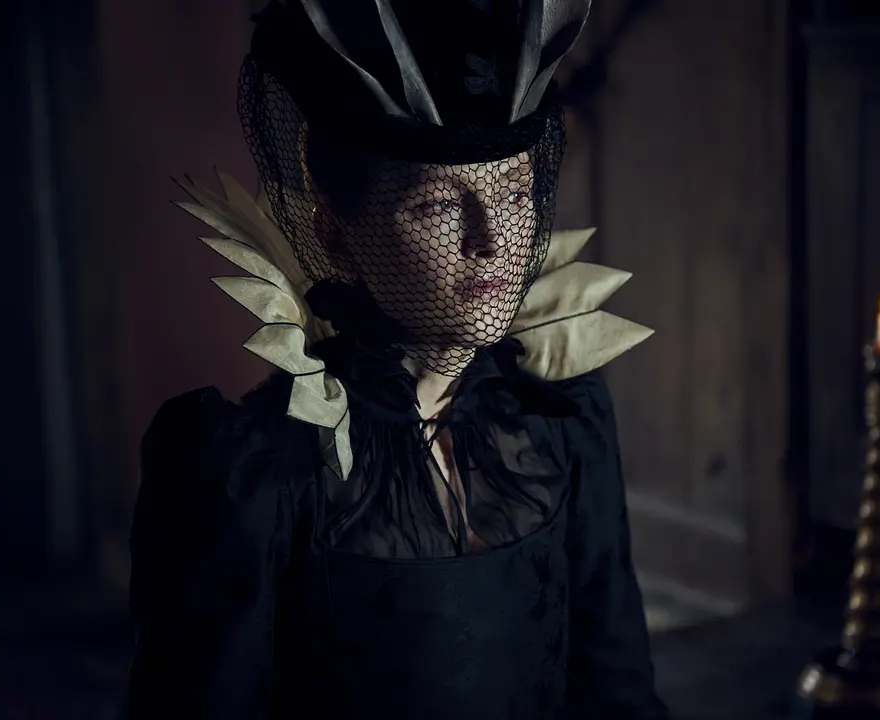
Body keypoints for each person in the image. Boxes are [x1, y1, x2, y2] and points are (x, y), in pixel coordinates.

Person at [125, 1, 668, 717]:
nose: (491, 240)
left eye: (512, 193)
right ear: (336, 233)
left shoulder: (562, 421)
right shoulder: (256, 474)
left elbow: (617, 688)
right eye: (438, 208)